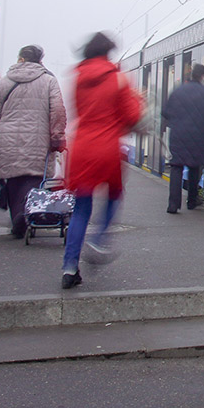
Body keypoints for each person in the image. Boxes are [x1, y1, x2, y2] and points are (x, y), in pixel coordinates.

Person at [61, 32, 142, 289]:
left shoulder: (77, 77)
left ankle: (69, 267)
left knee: (81, 209)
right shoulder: (117, 78)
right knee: (114, 194)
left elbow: (77, 110)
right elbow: (131, 115)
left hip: (82, 147)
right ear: (108, 52)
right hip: (107, 148)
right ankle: (99, 238)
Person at [0, 45, 66, 239]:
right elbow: (58, 111)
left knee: (13, 180)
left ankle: (16, 221)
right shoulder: (49, 81)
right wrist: (57, 137)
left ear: (20, 59)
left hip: (7, 138)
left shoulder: (3, 82)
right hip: (38, 139)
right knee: (33, 180)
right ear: (40, 60)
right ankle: (26, 214)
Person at [161, 63, 204, 213]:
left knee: (176, 168)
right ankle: (192, 201)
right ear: (202, 76)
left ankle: (173, 205)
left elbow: (166, 112)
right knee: (195, 167)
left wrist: (177, 121)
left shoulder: (178, 91)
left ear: (191, 74)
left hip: (178, 135)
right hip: (199, 136)